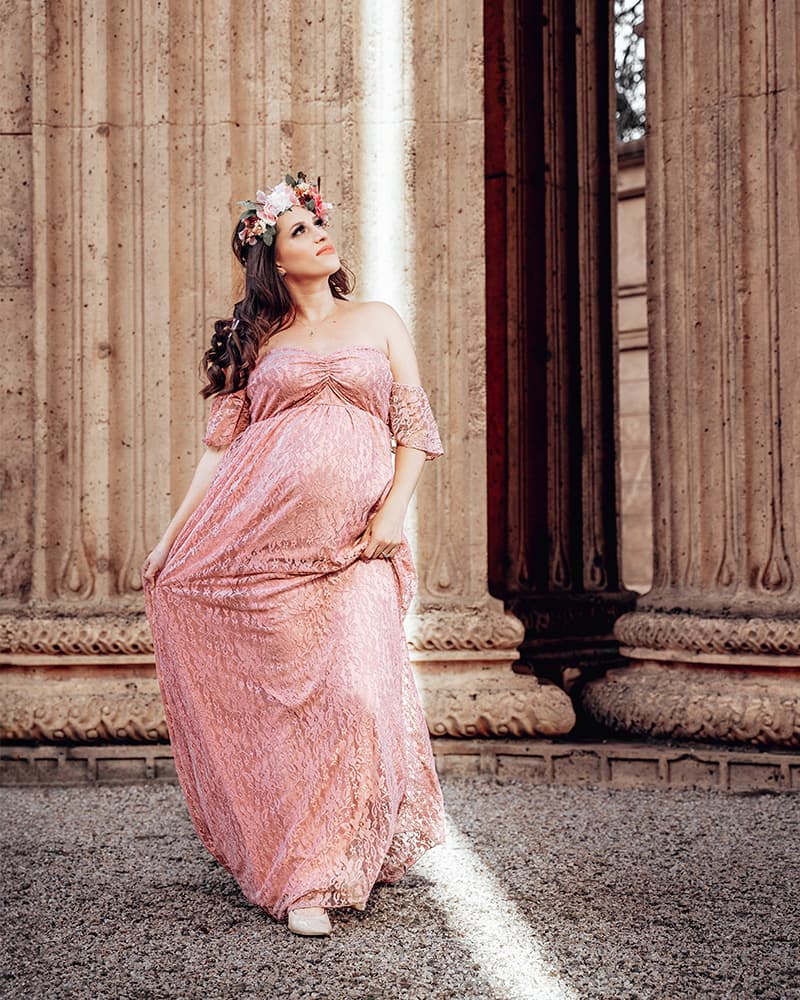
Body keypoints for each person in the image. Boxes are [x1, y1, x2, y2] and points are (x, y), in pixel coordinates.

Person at [141, 172, 447, 938]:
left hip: (354, 546)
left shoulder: (377, 318)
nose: (319, 235)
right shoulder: (260, 342)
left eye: (317, 224)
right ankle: (306, 872)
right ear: (274, 261)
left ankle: (344, 845)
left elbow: (414, 425)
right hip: (264, 541)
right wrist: (170, 539)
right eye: (300, 231)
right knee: (287, 708)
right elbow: (220, 451)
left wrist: (392, 513)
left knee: (355, 694)